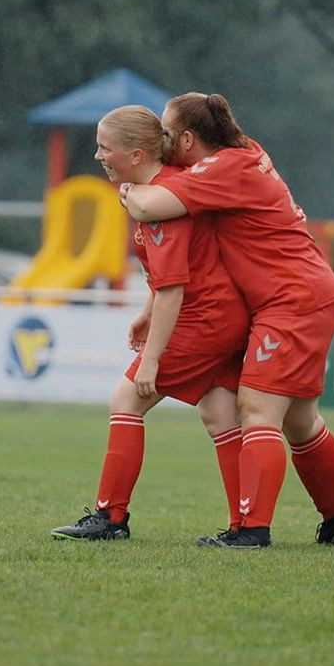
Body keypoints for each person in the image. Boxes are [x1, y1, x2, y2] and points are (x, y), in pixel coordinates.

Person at [121, 93, 334, 549]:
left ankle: (251, 531)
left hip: (291, 300)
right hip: (304, 293)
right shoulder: (242, 153)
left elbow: (148, 207)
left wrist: (127, 187)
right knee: (300, 421)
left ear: (190, 139)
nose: (162, 140)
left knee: (257, 411)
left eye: (169, 133)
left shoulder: (221, 169)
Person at [52, 105, 248, 541]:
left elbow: (176, 287)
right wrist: (146, 311)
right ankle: (246, 525)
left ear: (137, 155)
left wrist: (153, 359)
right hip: (224, 316)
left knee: (125, 400)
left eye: (105, 148)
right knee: (219, 414)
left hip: (205, 318)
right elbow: (175, 274)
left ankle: (110, 517)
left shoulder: (161, 200)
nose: (99, 156)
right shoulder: (161, 190)